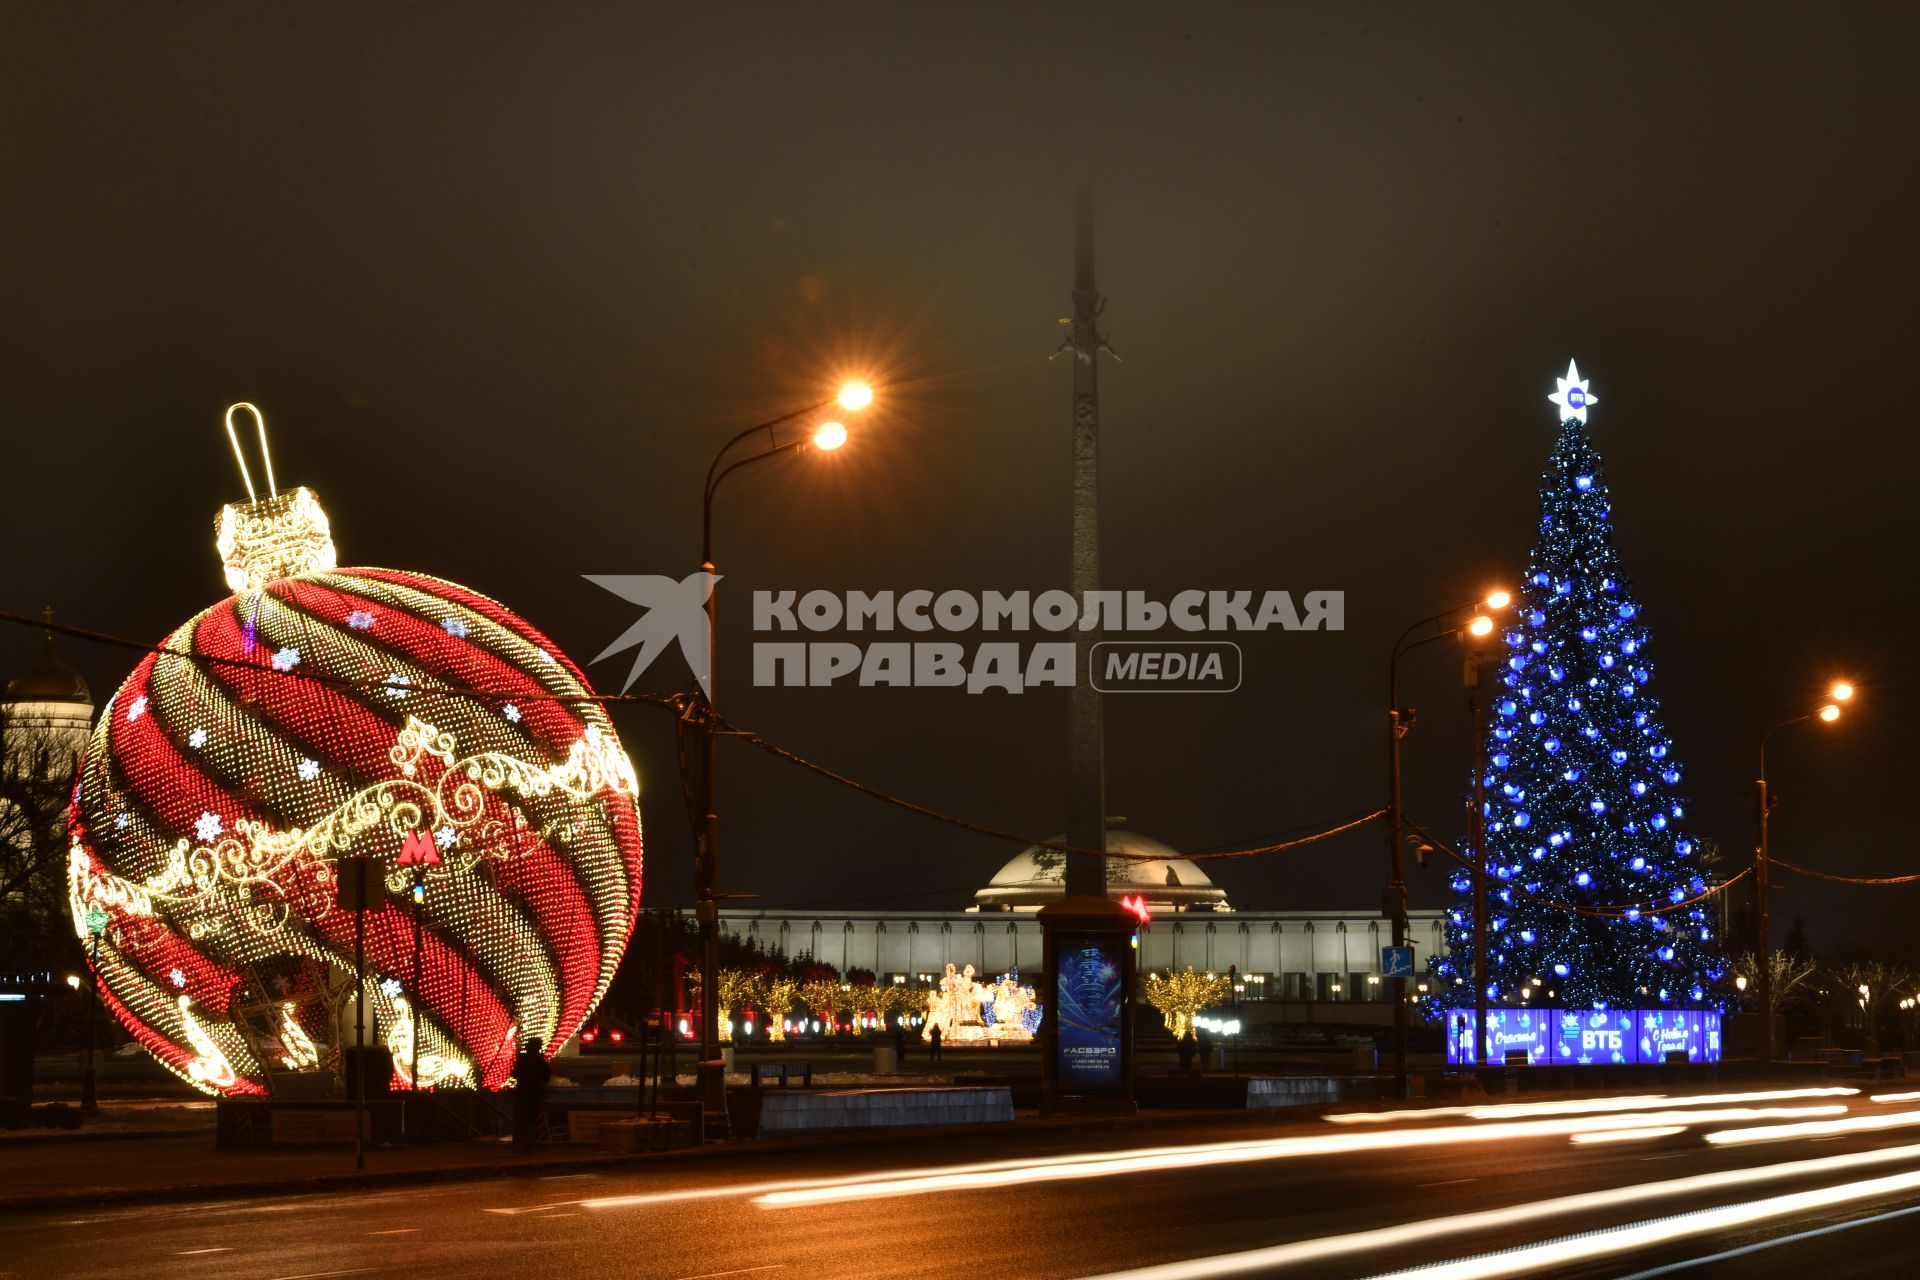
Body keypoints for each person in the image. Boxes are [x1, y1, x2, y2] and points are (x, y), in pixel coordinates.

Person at [511, 1036, 550, 1151]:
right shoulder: (541, 1061)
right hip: (536, 1093)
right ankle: (530, 1143)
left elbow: (514, 1073)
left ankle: (525, 1143)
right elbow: (546, 1078)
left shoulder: (523, 1059)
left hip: (523, 1092)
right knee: (532, 1119)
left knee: (522, 1119)